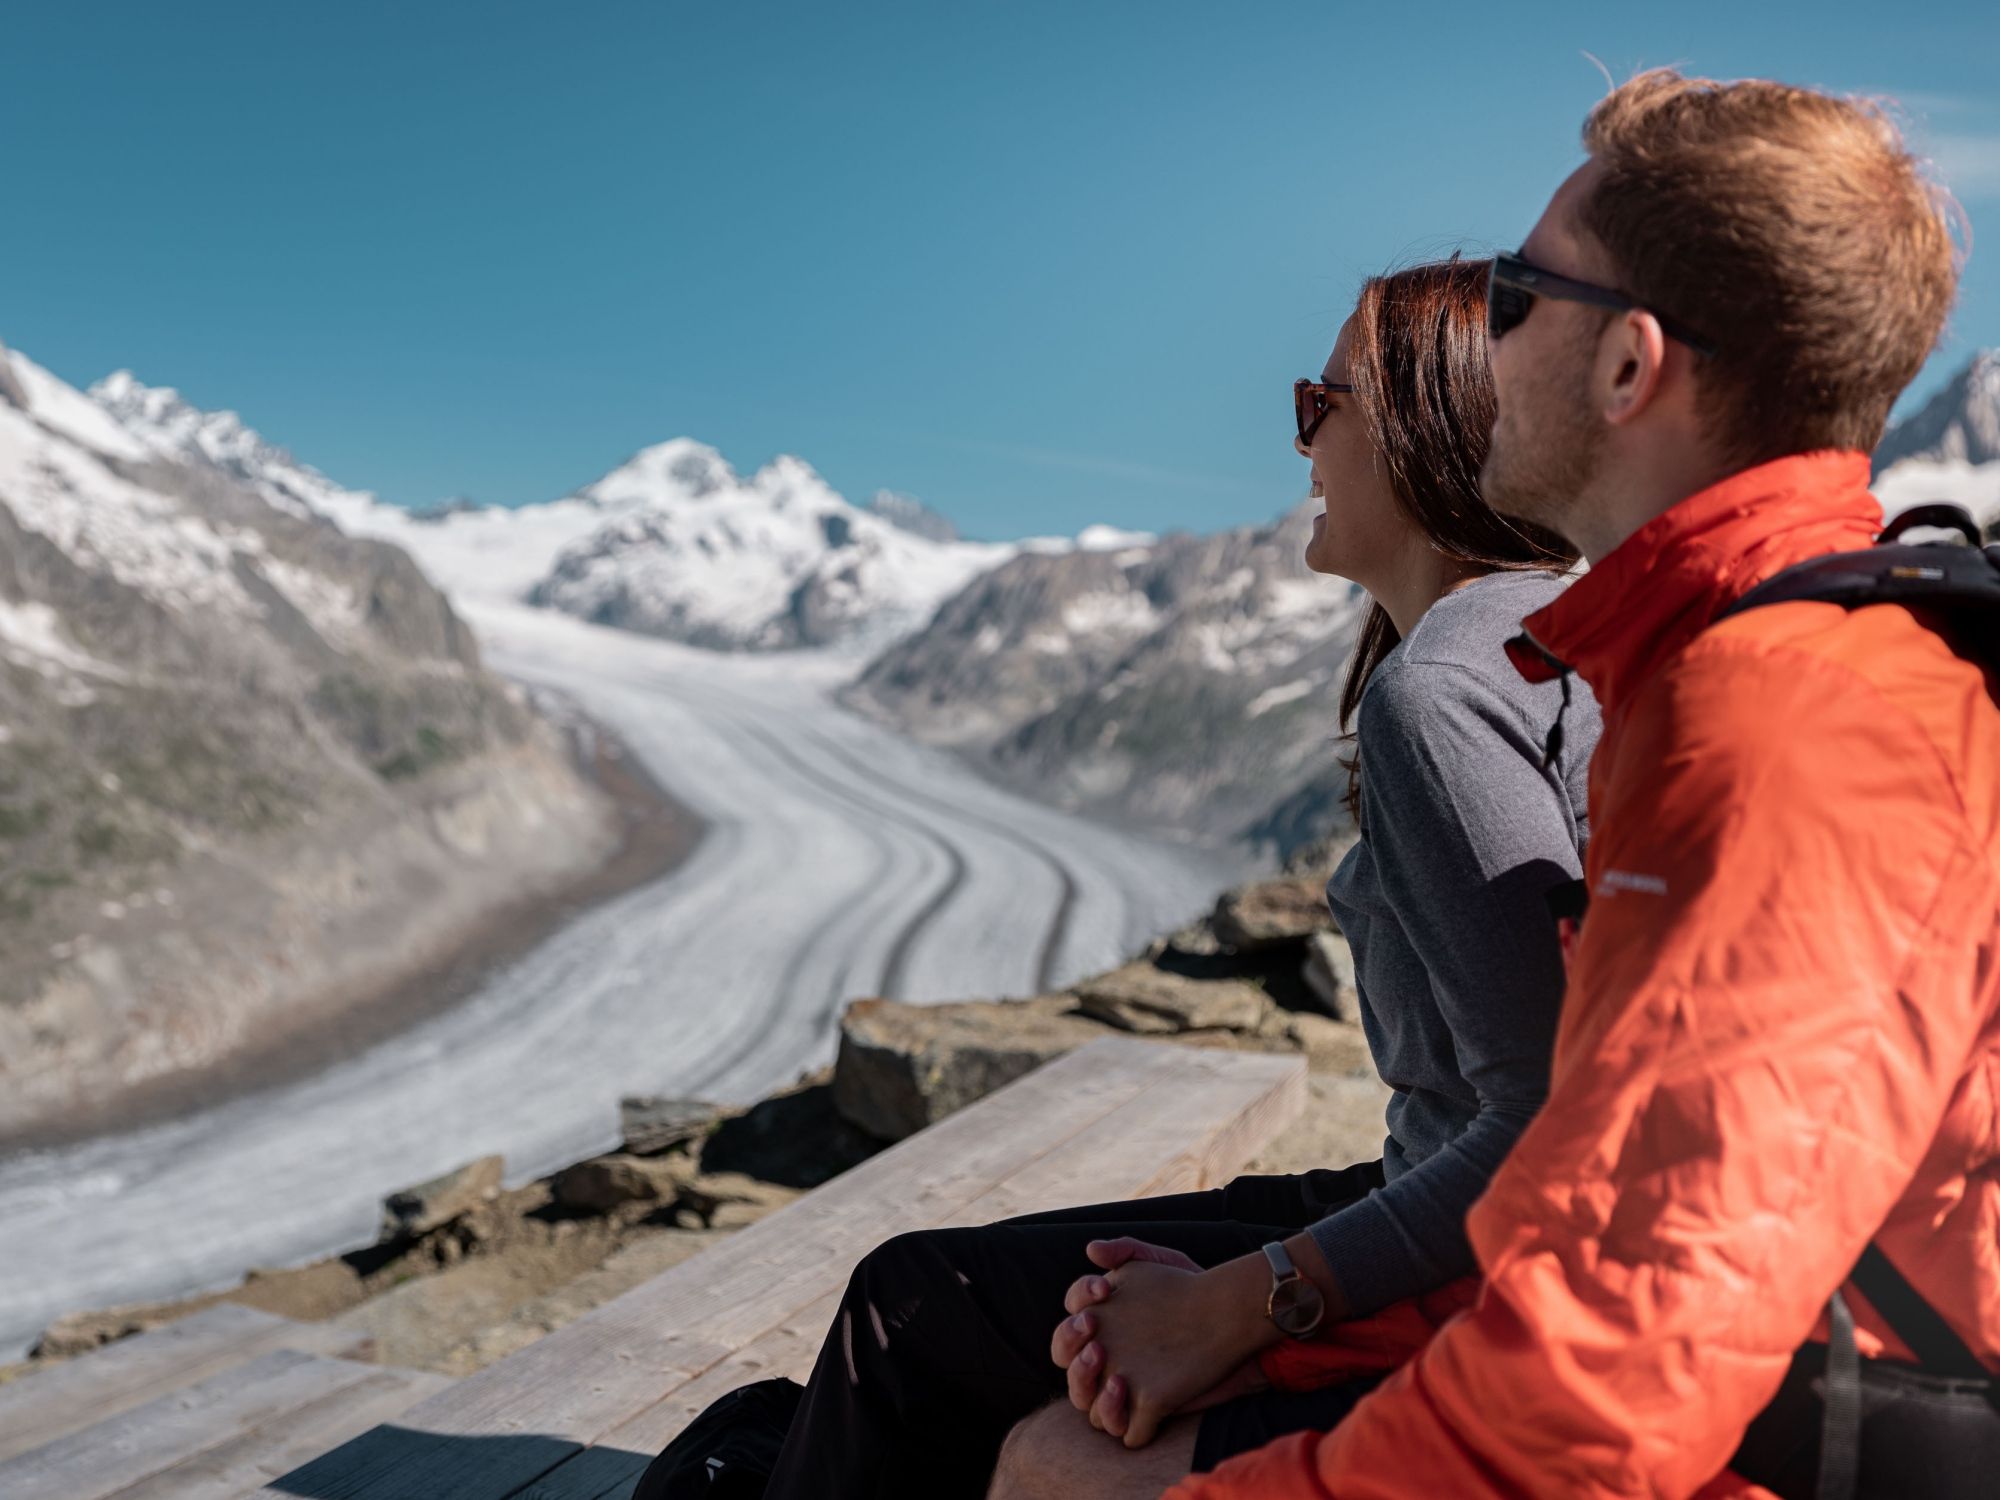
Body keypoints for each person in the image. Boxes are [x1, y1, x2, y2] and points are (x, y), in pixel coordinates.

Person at [1024, 69, 1997, 1500]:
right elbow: (1605, 1202)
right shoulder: (1759, 654)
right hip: (1821, 1386)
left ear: (1628, 369)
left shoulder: (1776, 720)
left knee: (1057, 1473)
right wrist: (1270, 1329)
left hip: (1837, 1434)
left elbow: (1625, 1369)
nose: (1483, 339)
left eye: (1518, 296)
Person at [746, 255, 1602, 1500]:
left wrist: (1254, 1296)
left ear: (1425, 430)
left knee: (912, 1310)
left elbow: (1539, 1122)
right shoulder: (1555, 638)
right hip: (1447, 1202)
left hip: (1479, 1260)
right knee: (967, 1295)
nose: (1300, 443)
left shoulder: (1441, 695)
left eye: (1323, 403)